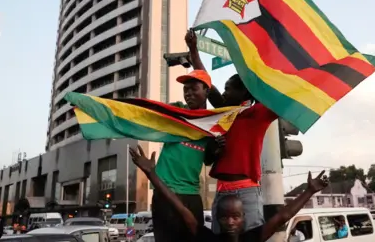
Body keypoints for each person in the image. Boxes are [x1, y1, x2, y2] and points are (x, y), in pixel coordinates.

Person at [129, 145, 329, 242]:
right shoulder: (208, 239)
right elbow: (179, 207)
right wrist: (152, 174)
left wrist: (309, 191)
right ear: (217, 218)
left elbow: (283, 216)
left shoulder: (252, 238)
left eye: (235, 216)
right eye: (225, 217)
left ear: (243, 218)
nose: (230, 222)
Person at [186, 30, 278, 233]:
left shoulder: (258, 114)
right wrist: (193, 49)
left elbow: (275, 92)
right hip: (221, 191)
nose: (225, 93)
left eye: (229, 89)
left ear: (244, 92)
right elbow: (207, 83)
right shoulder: (224, 114)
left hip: (247, 191)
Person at [149, 70, 217, 242]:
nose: (188, 93)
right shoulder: (177, 110)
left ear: (206, 91)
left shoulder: (213, 124)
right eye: (185, 90)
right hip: (165, 193)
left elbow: (208, 159)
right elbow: (151, 112)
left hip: (192, 195)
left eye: (194, 89)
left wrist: (218, 148)